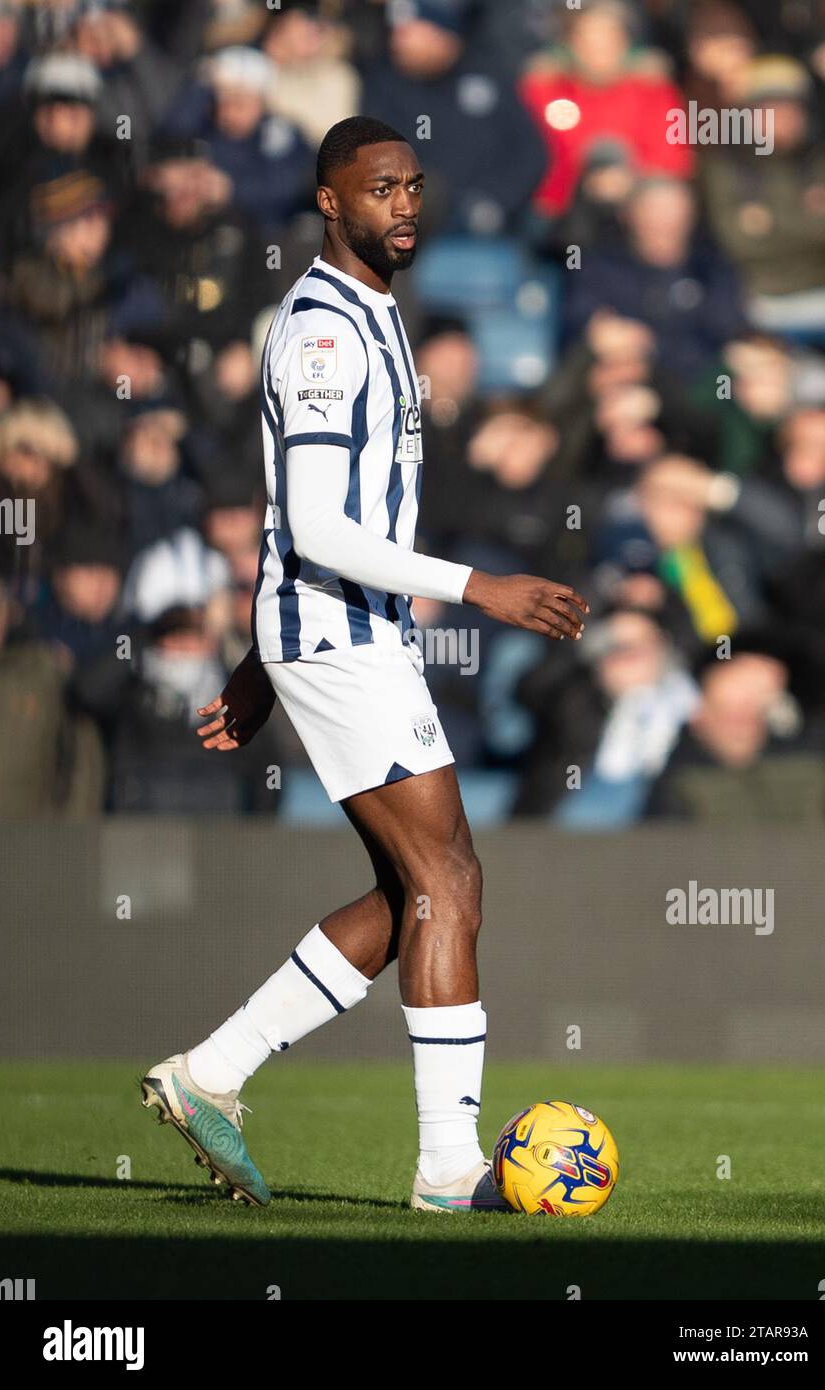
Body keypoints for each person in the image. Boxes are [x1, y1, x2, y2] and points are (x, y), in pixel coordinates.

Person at [140, 115, 588, 1210]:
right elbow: (319, 525)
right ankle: (445, 1169)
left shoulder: (374, 314)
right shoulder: (328, 334)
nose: (405, 204)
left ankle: (212, 1072)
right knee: (449, 882)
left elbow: (301, 531)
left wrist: (259, 659)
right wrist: (479, 587)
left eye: (414, 185)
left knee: (417, 888)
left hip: (341, 633)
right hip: (342, 635)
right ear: (329, 200)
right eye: (380, 187)